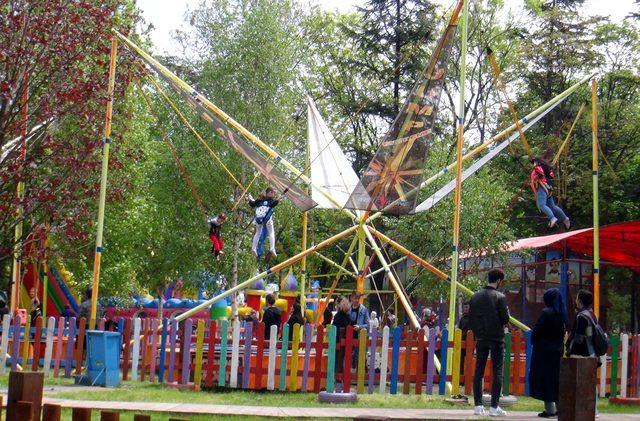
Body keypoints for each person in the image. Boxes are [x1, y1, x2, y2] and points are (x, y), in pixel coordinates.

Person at [469, 268, 510, 417]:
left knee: (478, 371)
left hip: (480, 338)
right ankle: (494, 407)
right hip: (496, 339)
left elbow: (470, 318)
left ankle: (478, 406)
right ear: (499, 280)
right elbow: (505, 319)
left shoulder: (475, 297)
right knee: (497, 371)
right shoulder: (500, 297)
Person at [529, 288, 568, 418]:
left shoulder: (546, 313)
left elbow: (536, 331)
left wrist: (536, 341)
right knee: (555, 380)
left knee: (544, 380)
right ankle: (560, 408)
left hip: (543, 353)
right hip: (557, 352)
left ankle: (550, 410)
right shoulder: (563, 314)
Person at [530, 157, 570, 229]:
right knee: (553, 207)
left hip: (542, 188)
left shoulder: (537, 167)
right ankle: (565, 218)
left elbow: (541, 174)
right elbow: (548, 175)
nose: (532, 165)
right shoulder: (542, 167)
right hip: (547, 188)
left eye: (533, 163)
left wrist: (536, 169)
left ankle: (552, 218)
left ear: (536, 162)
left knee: (541, 205)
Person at [248, 187, 279, 258]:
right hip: (266, 219)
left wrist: (250, 198)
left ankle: (253, 248)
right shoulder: (270, 200)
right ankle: (272, 248)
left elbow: (252, 204)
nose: (274, 194)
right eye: (273, 193)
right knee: (271, 233)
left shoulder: (260, 200)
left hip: (259, 219)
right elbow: (273, 204)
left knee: (257, 233)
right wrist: (278, 200)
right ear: (270, 192)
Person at [332, 296, 354, 392]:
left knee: (338, 363)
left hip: (338, 342)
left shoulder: (337, 316)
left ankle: (338, 381)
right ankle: (344, 381)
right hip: (347, 343)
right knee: (345, 363)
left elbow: (334, 329)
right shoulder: (348, 317)